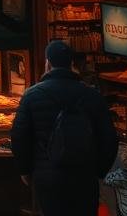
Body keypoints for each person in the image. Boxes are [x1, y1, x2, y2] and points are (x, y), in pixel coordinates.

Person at [10, 40, 118, 216]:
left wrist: (25, 170)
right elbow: (109, 138)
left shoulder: (32, 95)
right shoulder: (92, 95)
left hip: (48, 175)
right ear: (72, 64)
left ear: (48, 63)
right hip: (84, 175)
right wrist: (99, 171)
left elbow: (19, 136)